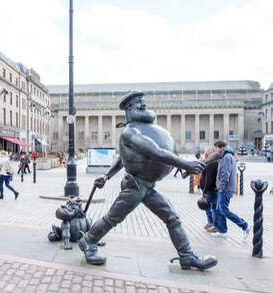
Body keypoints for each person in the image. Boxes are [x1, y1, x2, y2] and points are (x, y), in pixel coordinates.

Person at [78, 91, 217, 271]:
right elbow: (156, 151)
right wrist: (186, 164)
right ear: (129, 109)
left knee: (172, 218)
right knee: (113, 218)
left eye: (143, 103)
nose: (144, 106)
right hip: (135, 185)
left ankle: (187, 256)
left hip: (147, 185)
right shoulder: (130, 132)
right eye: (138, 104)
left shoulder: (137, 130)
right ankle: (88, 241)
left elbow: (122, 159)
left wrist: (106, 176)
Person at [214, 140, 250, 238]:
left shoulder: (226, 157)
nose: (215, 150)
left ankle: (244, 225)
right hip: (224, 188)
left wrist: (221, 187)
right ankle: (222, 230)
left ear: (220, 147)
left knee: (224, 210)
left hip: (225, 188)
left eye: (216, 148)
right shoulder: (227, 156)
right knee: (219, 209)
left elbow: (225, 174)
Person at [199, 146, 221, 233]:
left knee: (213, 207)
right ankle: (211, 222)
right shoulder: (209, 162)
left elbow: (209, 179)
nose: (205, 154)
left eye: (206, 153)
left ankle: (214, 224)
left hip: (211, 189)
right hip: (211, 189)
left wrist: (205, 191)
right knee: (208, 207)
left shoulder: (211, 163)